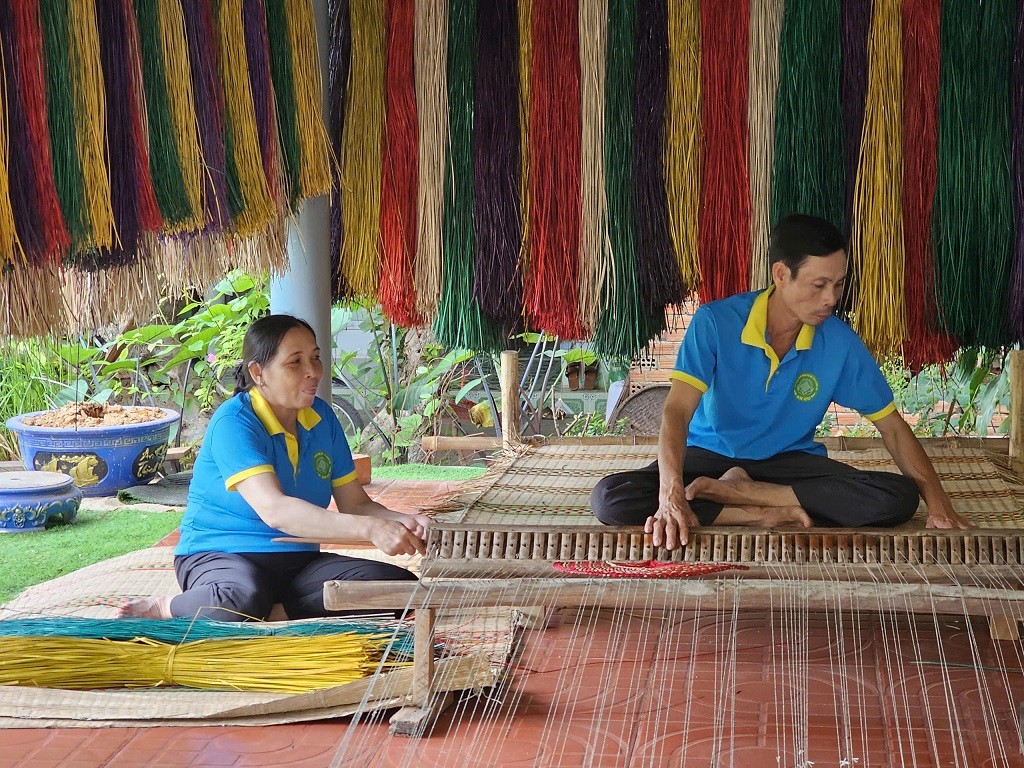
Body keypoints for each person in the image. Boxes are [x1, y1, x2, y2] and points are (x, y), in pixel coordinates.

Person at [591, 214, 969, 550]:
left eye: (837, 285)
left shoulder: (837, 340)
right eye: (819, 285)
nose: (830, 299)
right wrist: (670, 494)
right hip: (709, 456)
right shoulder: (715, 322)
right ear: (781, 275)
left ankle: (747, 493)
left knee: (897, 498)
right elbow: (676, 411)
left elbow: (893, 429)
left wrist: (940, 508)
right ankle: (757, 514)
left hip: (791, 461)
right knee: (610, 498)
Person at [119, 314, 428, 621]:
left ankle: (275, 612)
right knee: (239, 598)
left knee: (399, 587)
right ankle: (164, 607)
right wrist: (370, 530)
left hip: (297, 562)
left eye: (315, 358)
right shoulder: (235, 421)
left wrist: (407, 521)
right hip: (220, 555)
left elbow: (357, 504)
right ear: (258, 372)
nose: (313, 372)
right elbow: (276, 510)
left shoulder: (323, 419)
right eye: (295, 362)